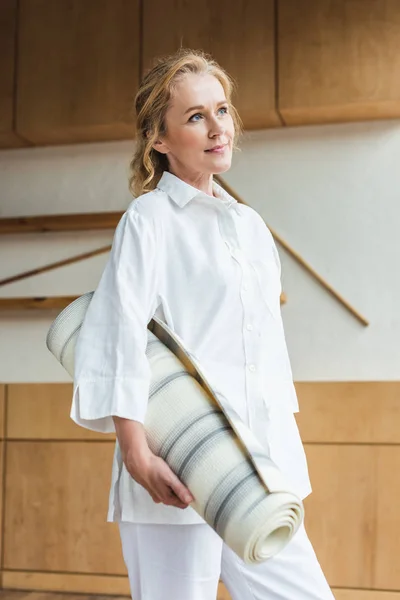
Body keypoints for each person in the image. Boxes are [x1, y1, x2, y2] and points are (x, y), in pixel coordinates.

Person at [71, 48, 335, 600]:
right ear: (159, 141)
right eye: (196, 116)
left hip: (258, 470)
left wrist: (283, 458)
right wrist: (137, 456)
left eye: (222, 109)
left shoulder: (251, 226)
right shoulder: (149, 220)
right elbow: (118, 337)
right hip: (176, 466)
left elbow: (265, 353)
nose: (218, 128)